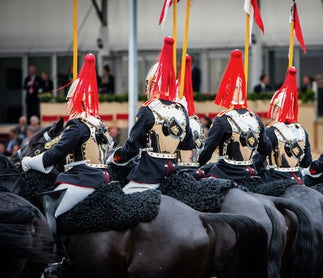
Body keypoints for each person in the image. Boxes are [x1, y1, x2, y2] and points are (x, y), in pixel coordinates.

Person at [21, 54, 113, 265]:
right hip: (103, 177)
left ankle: (53, 260)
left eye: (69, 99)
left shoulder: (77, 124)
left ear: (77, 99)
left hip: (83, 179)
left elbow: (55, 154)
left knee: (49, 208)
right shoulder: (98, 123)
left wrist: (29, 162)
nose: (68, 103)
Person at [107, 37, 194, 193]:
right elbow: (187, 144)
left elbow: (132, 147)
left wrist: (115, 158)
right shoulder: (181, 110)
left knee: (121, 202)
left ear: (152, 84)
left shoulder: (148, 110)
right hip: (173, 172)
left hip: (149, 174)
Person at [198, 49, 271, 180]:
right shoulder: (255, 118)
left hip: (225, 172)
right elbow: (266, 149)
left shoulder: (222, 119)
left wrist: (196, 166)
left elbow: (207, 151)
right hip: (250, 173)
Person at [253, 67, 312, 184]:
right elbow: (306, 162)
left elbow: (258, 160)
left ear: (277, 108)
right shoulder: (302, 130)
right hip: (298, 179)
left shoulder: (271, 130)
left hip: (274, 179)